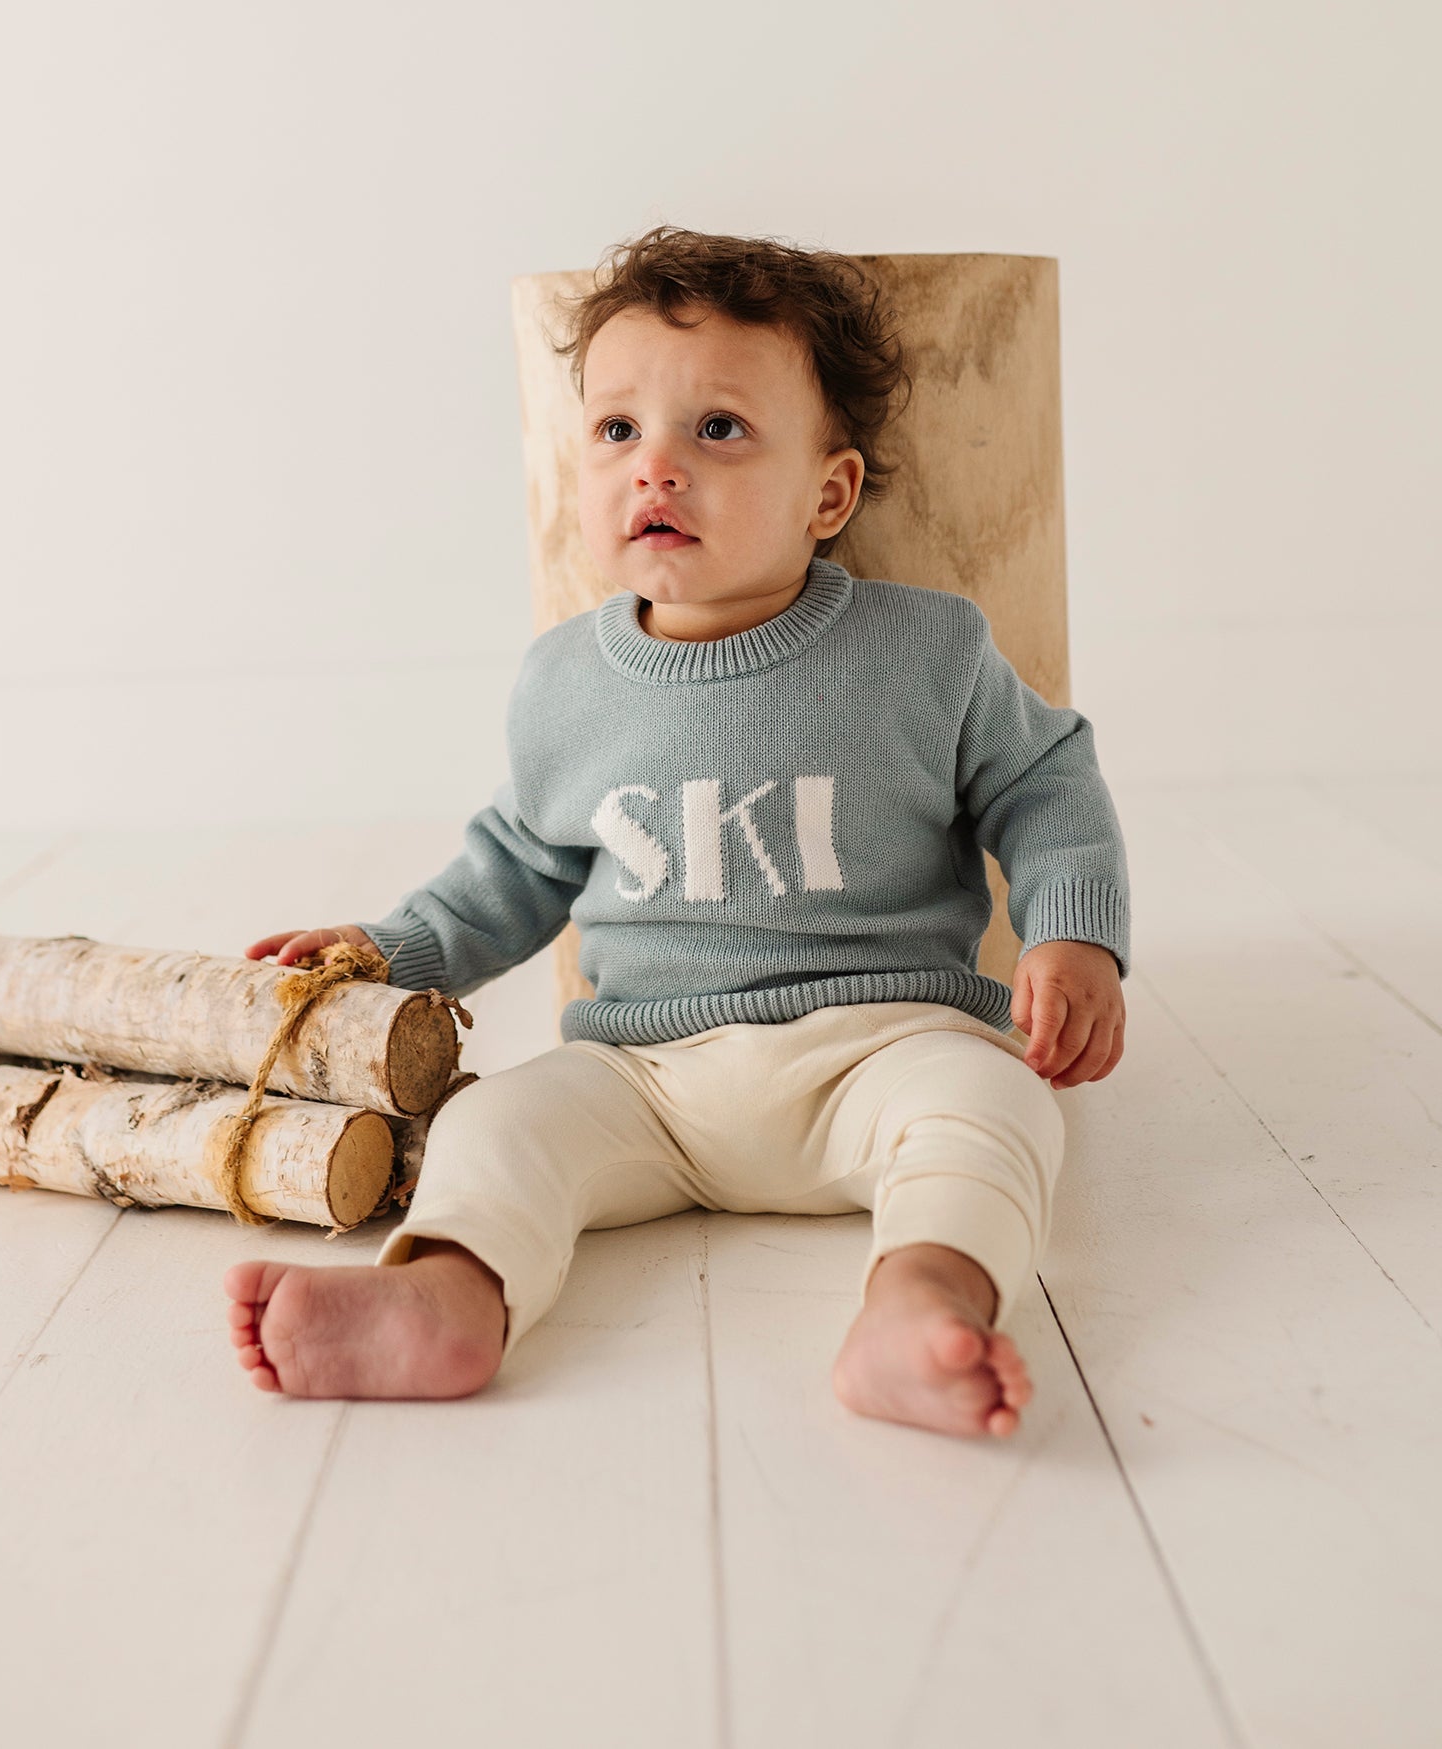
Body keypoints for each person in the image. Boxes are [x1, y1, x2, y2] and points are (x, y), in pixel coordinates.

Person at [224, 224, 1128, 1436]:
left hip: (881, 1047)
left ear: (828, 493)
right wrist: (386, 951)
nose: (655, 465)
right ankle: (447, 1293)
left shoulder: (926, 649)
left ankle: (922, 1297)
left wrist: (1073, 935)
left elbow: (1047, 780)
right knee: (495, 1123)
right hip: (646, 1077)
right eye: (616, 429)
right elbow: (516, 864)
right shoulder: (565, 682)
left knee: (997, 1107)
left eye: (717, 428)